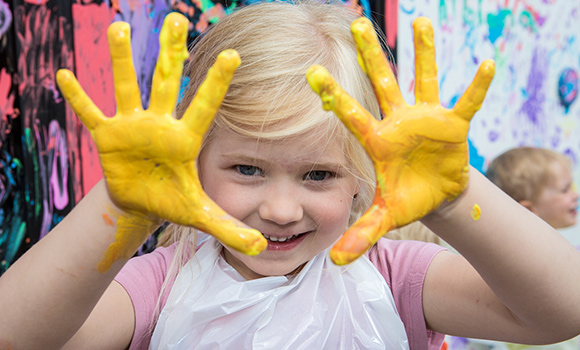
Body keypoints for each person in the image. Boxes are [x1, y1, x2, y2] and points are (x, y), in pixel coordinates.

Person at [1, 1, 580, 349]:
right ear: (193, 161)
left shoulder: (396, 277)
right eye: (247, 168)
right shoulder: (157, 287)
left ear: (361, 175)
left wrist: (455, 198)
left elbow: (561, 310)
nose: (281, 209)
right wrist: (121, 209)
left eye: (319, 175)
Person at [447, 147, 579, 350]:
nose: (575, 194)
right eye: (564, 190)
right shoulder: (530, 260)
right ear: (528, 209)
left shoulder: (552, 250)